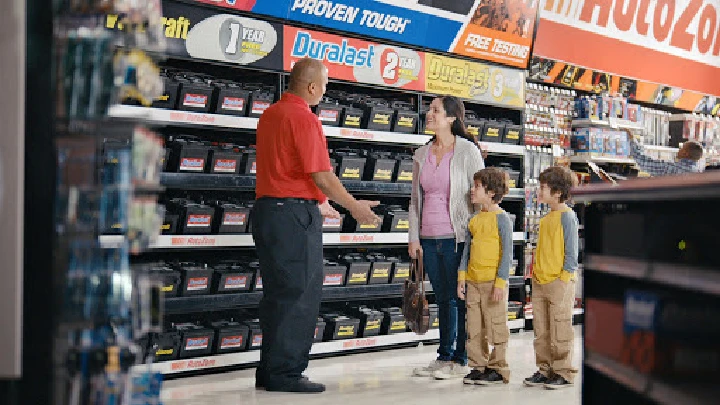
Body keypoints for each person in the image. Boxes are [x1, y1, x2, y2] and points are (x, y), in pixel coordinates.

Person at [253, 58, 379, 393]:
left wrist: (319, 202)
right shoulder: (304, 118)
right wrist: (353, 206)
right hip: (293, 217)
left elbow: (287, 167)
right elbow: (321, 174)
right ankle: (287, 374)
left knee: (278, 295)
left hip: (268, 212)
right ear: (311, 87)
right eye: (324, 84)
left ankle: (270, 371)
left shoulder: (271, 115)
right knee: (301, 295)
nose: (325, 90)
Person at [409, 96, 485, 380]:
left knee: (459, 298)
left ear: (452, 118)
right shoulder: (421, 154)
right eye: (429, 110)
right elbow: (415, 201)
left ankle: (460, 358)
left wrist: (478, 234)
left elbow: (480, 194)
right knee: (442, 298)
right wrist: (413, 237)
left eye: (435, 111)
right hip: (428, 238)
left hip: (458, 237)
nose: (429, 114)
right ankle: (444, 356)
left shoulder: (467, 151)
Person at [524, 166, 579, 390]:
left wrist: (564, 277)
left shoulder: (568, 217)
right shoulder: (546, 219)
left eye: (543, 187)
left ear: (557, 192)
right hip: (540, 281)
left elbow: (571, 252)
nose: (539, 191)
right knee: (542, 329)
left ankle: (563, 371)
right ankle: (544, 368)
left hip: (559, 282)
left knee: (560, 328)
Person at [457, 168, 514, 385]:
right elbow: (467, 252)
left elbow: (507, 254)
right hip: (473, 282)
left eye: (477, 186)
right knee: (474, 327)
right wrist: (462, 277)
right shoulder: (473, 219)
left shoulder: (503, 220)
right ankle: (478, 366)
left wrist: (500, 282)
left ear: (491, 192)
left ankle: (498, 368)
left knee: (496, 325)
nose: (472, 190)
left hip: (493, 283)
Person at [627, 131, 705, 175]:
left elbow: (643, 162)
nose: (679, 150)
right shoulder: (700, 174)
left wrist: (632, 139)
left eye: (682, 148)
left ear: (686, 153)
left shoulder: (670, 167)